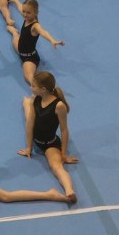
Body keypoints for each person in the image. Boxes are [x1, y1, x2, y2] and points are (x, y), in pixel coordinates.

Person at [19, 71, 77, 202]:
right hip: (35, 137)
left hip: (50, 143)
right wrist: (28, 147)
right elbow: (30, 124)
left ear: (43, 89)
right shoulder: (35, 98)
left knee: (56, 167)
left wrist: (63, 154)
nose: (30, 87)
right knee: (29, 115)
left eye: (33, 86)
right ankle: (25, 102)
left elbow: (64, 130)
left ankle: (69, 191)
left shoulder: (59, 106)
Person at [7, 0, 64, 86]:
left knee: (28, 77)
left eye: (28, 13)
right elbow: (20, 8)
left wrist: (52, 40)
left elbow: (43, 32)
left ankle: (39, 89)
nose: (25, 14)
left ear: (36, 13)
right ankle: (14, 32)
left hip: (30, 57)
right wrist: (16, 0)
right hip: (20, 49)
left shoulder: (35, 26)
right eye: (24, 12)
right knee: (15, 38)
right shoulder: (26, 17)